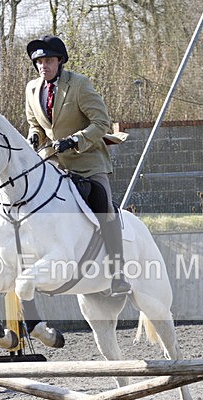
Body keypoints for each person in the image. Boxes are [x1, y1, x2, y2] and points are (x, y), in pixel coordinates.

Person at [24, 35, 132, 297]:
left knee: (103, 205)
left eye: (48, 61)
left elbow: (101, 123)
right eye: (39, 62)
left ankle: (118, 273)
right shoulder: (31, 89)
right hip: (52, 161)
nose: (43, 66)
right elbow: (35, 124)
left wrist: (75, 140)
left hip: (87, 160)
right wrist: (34, 137)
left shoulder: (79, 84)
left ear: (59, 61)